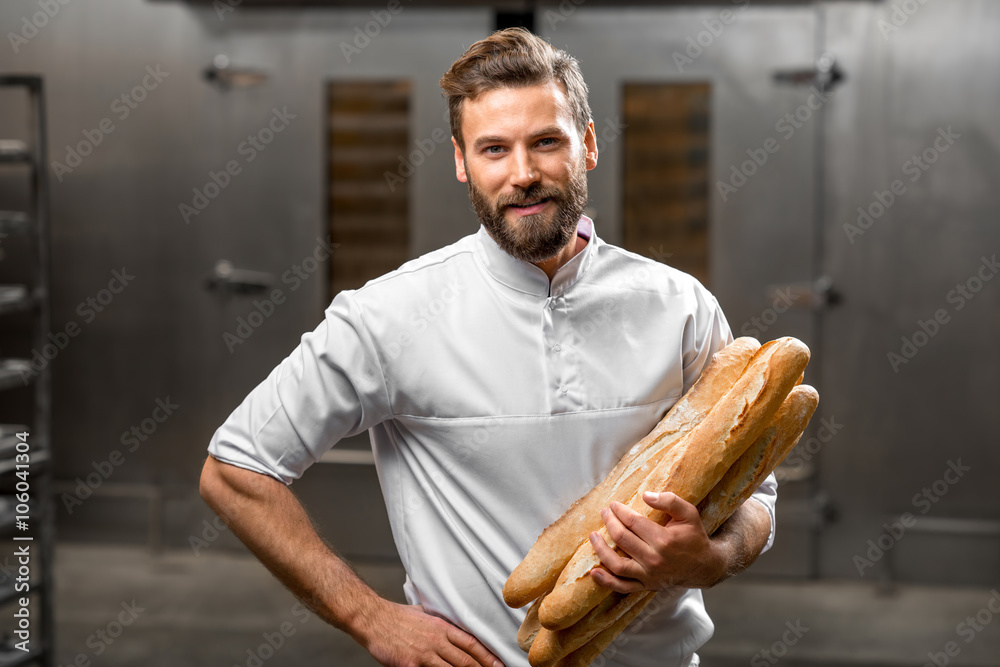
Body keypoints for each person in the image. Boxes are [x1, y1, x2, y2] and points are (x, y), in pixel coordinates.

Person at [200, 27, 775, 667]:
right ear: (460, 161)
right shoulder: (390, 313)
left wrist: (714, 556)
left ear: (586, 145)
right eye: (494, 149)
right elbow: (235, 468)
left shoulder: (681, 307)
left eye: (546, 142)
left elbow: (755, 493)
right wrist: (370, 617)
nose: (522, 174)